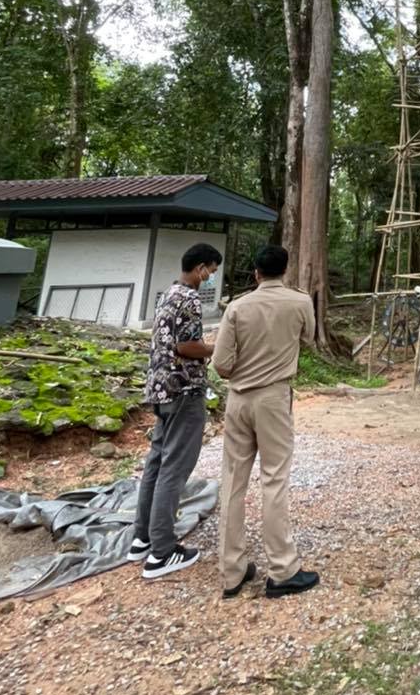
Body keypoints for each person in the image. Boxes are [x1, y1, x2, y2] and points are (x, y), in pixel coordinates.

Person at [212, 245, 320, 599]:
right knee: (274, 479)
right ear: (285, 271)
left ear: (256, 273)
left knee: (232, 481)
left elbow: (221, 364)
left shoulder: (237, 307)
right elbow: (309, 338)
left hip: (238, 399)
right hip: (274, 398)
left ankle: (232, 571)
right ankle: (282, 569)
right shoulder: (300, 302)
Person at [130, 242, 223, 579]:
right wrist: (216, 348)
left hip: (160, 389)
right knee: (174, 468)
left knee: (156, 464)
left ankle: (142, 538)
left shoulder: (168, 294)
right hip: (183, 390)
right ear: (200, 268)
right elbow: (186, 346)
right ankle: (162, 552)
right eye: (211, 272)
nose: (211, 278)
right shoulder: (190, 298)